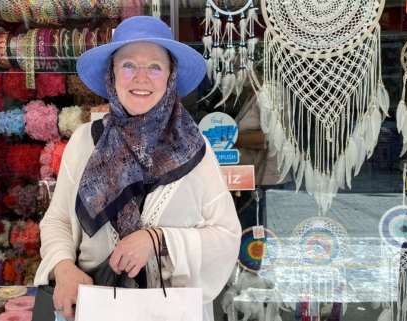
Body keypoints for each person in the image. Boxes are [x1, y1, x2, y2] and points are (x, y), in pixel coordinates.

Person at [34, 16, 241, 321]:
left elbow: (226, 237)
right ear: (112, 76)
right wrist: (63, 267)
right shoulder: (84, 142)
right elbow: (58, 222)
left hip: (171, 312)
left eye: (155, 67)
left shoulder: (196, 150)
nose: (141, 78)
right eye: (128, 65)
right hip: (95, 306)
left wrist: (158, 240)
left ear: (170, 77)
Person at [233, 94, 292, 230]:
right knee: (251, 239)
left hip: (266, 179)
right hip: (252, 178)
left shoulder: (269, 94)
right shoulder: (253, 94)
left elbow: (270, 138)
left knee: (256, 241)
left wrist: (228, 139)